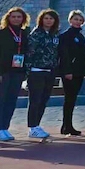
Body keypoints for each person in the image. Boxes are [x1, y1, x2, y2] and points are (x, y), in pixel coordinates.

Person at [0, 7, 29, 141]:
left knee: (11, 100)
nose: (16, 19)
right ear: (8, 18)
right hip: (3, 72)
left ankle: (5, 127)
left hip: (18, 72)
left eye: (19, 17)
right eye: (13, 17)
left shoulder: (24, 34)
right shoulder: (1, 34)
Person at [26, 9, 60, 139]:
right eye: (46, 18)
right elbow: (30, 52)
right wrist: (28, 72)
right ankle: (32, 127)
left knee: (44, 100)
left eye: (51, 18)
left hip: (49, 72)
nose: (49, 21)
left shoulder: (55, 35)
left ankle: (37, 125)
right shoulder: (36, 34)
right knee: (35, 100)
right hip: (36, 71)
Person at [57, 10, 85, 136]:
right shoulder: (65, 36)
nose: (78, 22)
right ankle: (67, 125)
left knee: (73, 98)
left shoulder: (80, 36)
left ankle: (67, 125)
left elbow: (84, 55)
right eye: (76, 19)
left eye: (80, 20)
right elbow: (64, 55)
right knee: (69, 99)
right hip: (70, 72)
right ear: (70, 20)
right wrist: (67, 71)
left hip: (79, 72)